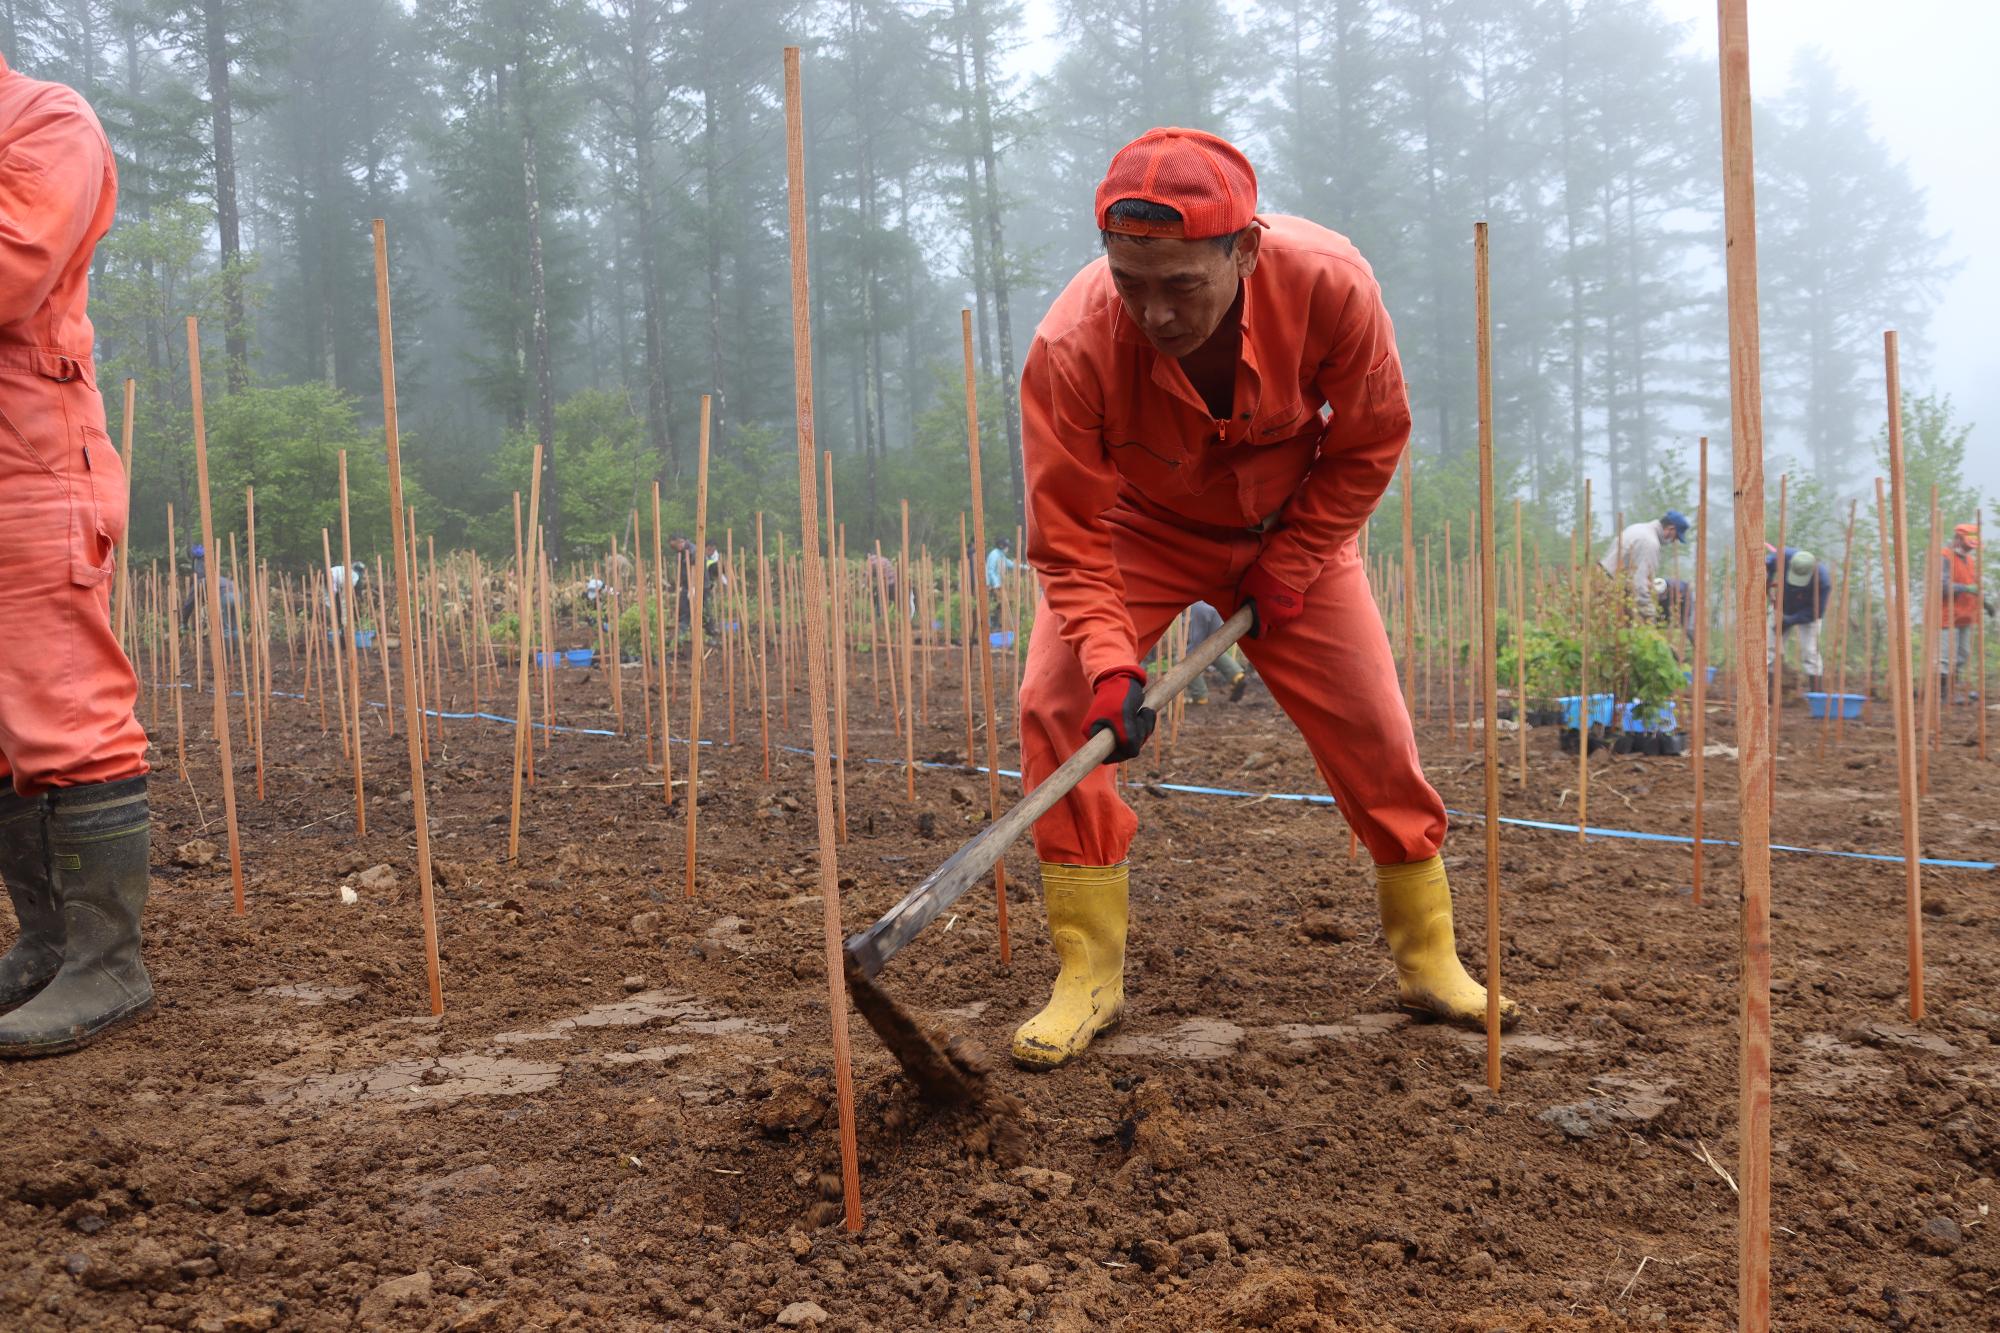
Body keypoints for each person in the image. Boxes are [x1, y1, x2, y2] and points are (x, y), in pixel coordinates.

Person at [1010, 127, 1511, 1071]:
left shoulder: (1331, 285)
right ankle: (1087, 974)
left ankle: (1430, 956)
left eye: (1181, 285)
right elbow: (1069, 533)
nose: (1154, 312)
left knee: (1373, 722)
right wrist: (1114, 665)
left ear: (1244, 249)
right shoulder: (1073, 345)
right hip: (1141, 531)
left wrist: (1294, 559)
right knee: (1056, 704)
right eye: (1130, 281)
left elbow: (1370, 439)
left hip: (1293, 533)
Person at [0, 50, 154, 1056]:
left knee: (62, 707)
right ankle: (46, 941)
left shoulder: (48, 123)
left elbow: (12, 268)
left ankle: (109, 960)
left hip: (29, 458)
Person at [1764, 546, 1832, 691]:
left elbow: (1816, 611)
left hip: (1807, 614)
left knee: (1810, 651)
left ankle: (1816, 692)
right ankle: (1769, 690)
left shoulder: (1823, 581)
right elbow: (1767, 562)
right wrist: (1768, 577)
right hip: (1782, 606)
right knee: (1769, 647)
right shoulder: (1784, 556)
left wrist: (1789, 620)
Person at [1941, 523, 1990, 701]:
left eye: (1972, 547)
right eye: (1967, 545)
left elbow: (1975, 586)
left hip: (1965, 616)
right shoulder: (1944, 557)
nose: (1969, 549)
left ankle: (1952, 689)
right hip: (1946, 615)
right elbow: (1942, 586)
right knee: (1946, 656)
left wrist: (1985, 604)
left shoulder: (1970, 561)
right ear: (1958, 540)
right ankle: (1943, 694)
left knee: (1963, 654)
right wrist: (1966, 588)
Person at [1600, 511, 1689, 602]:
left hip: (1601, 581)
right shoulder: (1650, 543)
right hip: (1611, 590)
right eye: (1676, 537)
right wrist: (1648, 612)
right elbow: (1640, 584)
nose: (1674, 541)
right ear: (1671, 529)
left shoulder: (1638, 528)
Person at [986, 537, 1018, 628]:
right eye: (1007, 546)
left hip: (998, 585)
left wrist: (1024, 567)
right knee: (995, 606)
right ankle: (993, 626)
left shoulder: (1001, 555)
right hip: (992, 586)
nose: (1008, 548)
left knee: (999, 605)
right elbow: (990, 571)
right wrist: (996, 584)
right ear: (1002, 546)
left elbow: (1010, 564)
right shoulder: (994, 555)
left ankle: (998, 625)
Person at [326, 559, 366, 628]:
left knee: (339, 602)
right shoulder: (353, 575)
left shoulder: (350, 574)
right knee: (341, 603)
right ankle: (343, 624)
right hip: (337, 581)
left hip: (341, 582)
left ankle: (343, 624)